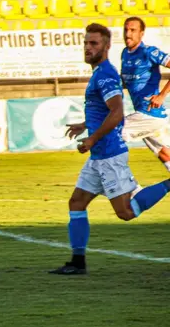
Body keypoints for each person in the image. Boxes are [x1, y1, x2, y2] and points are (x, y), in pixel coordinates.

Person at [50, 23, 170, 275]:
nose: (87, 48)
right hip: (99, 156)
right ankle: (77, 262)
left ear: (105, 47)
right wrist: (85, 125)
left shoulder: (104, 74)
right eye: (85, 43)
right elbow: (105, 110)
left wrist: (92, 139)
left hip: (109, 154)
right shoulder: (99, 73)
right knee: (77, 202)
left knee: (126, 213)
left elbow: (116, 111)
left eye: (93, 44)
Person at [120, 17, 170, 172]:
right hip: (147, 115)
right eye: (126, 30)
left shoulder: (149, 52)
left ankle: (122, 184)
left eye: (133, 30)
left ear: (141, 33)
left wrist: (162, 95)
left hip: (149, 114)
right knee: (165, 154)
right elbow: (127, 81)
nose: (128, 34)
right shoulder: (125, 54)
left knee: (111, 133)